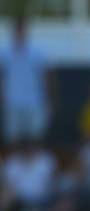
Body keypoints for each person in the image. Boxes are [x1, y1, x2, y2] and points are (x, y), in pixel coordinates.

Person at [0, 17, 53, 145]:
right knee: (13, 139)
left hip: (35, 101)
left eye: (22, 30)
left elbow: (47, 77)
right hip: (12, 102)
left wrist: (49, 99)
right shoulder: (4, 52)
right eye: (17, 30)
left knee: (35, 138)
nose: (20, 33)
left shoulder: (38, 53)